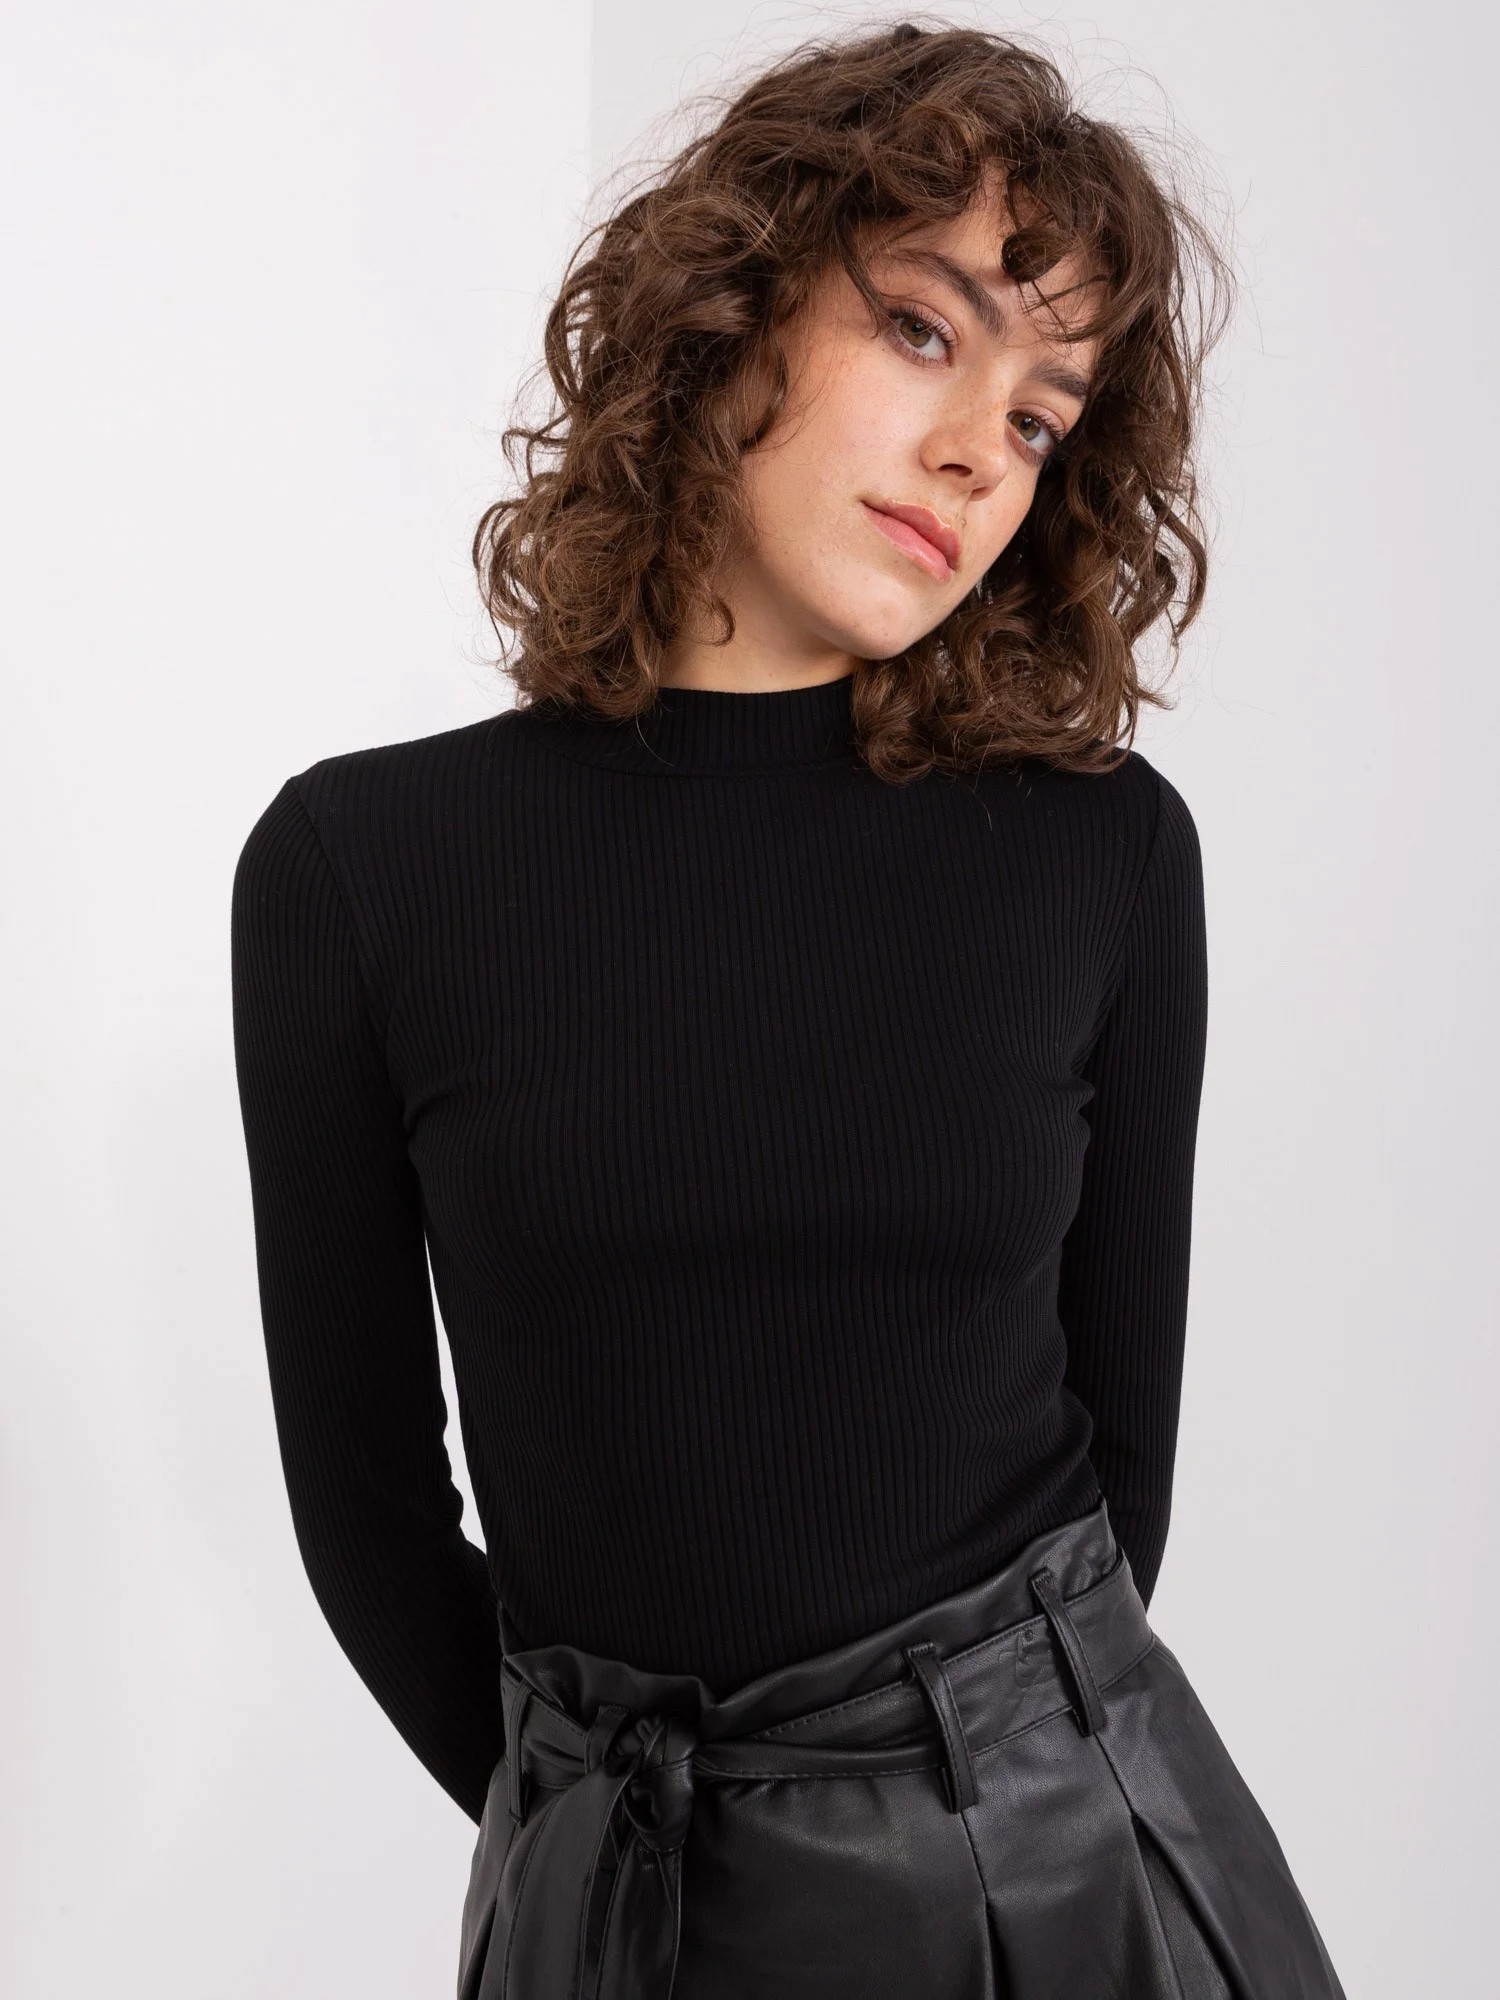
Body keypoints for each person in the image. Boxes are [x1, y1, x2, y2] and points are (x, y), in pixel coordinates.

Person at [231, 22, 1346, 1998]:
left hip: (1059, 1880)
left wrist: (950, 1822)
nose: (977, 452)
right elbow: (368, 1512)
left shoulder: (1100, 854)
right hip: (615, 1901)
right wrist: (626, 1829)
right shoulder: (360, 868)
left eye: (1042, 416)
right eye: (923, 331)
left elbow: (1122, 1487)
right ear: (729, 313)